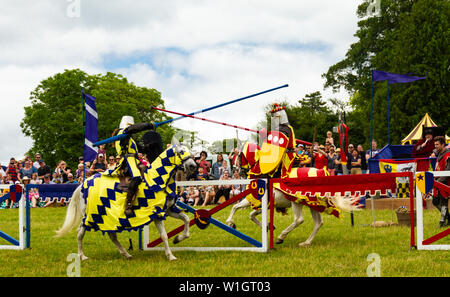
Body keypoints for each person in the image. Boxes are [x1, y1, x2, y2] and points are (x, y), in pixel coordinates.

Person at [108, 116, 154, 215]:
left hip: (135, 160)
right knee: (137, 178)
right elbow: (134, 128)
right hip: (127, 160)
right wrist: (148, 125)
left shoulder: (129, 138)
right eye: (131, 126)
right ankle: (128, 204)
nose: (132, 127)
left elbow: (140, 148)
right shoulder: (122, 132)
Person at [432, 136, 450, 227]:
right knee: (435, 201)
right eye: (435, 144)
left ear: (443, 144)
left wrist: (438, 182)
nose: (435, 146)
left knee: (444, 202)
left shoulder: (448, 155)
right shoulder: (439, 153)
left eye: (437, 144)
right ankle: (449, 218)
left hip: (445, 182)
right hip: (438, 182)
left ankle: (442, 222)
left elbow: (448, 171)